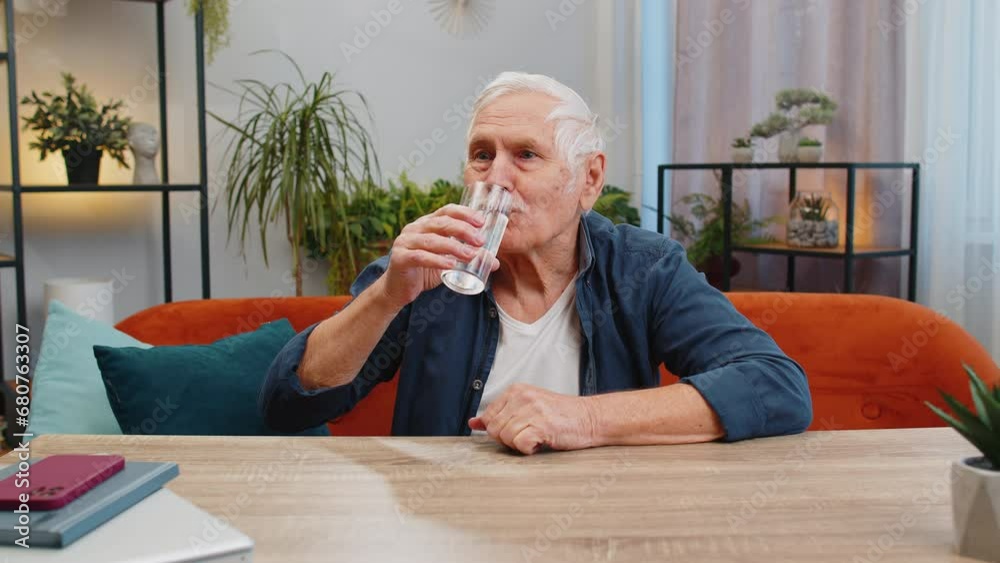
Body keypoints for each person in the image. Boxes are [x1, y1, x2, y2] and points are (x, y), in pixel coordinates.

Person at [259, 71, 812, 454]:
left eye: (525, 155)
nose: (495, 178)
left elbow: (775, 385)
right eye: (482, 155)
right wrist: (385, 299)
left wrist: (585, 419)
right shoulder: (426, 267)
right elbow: (289, 404)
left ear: (588, 179)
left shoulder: (643, 268)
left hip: (601, 524)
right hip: (440, 524)